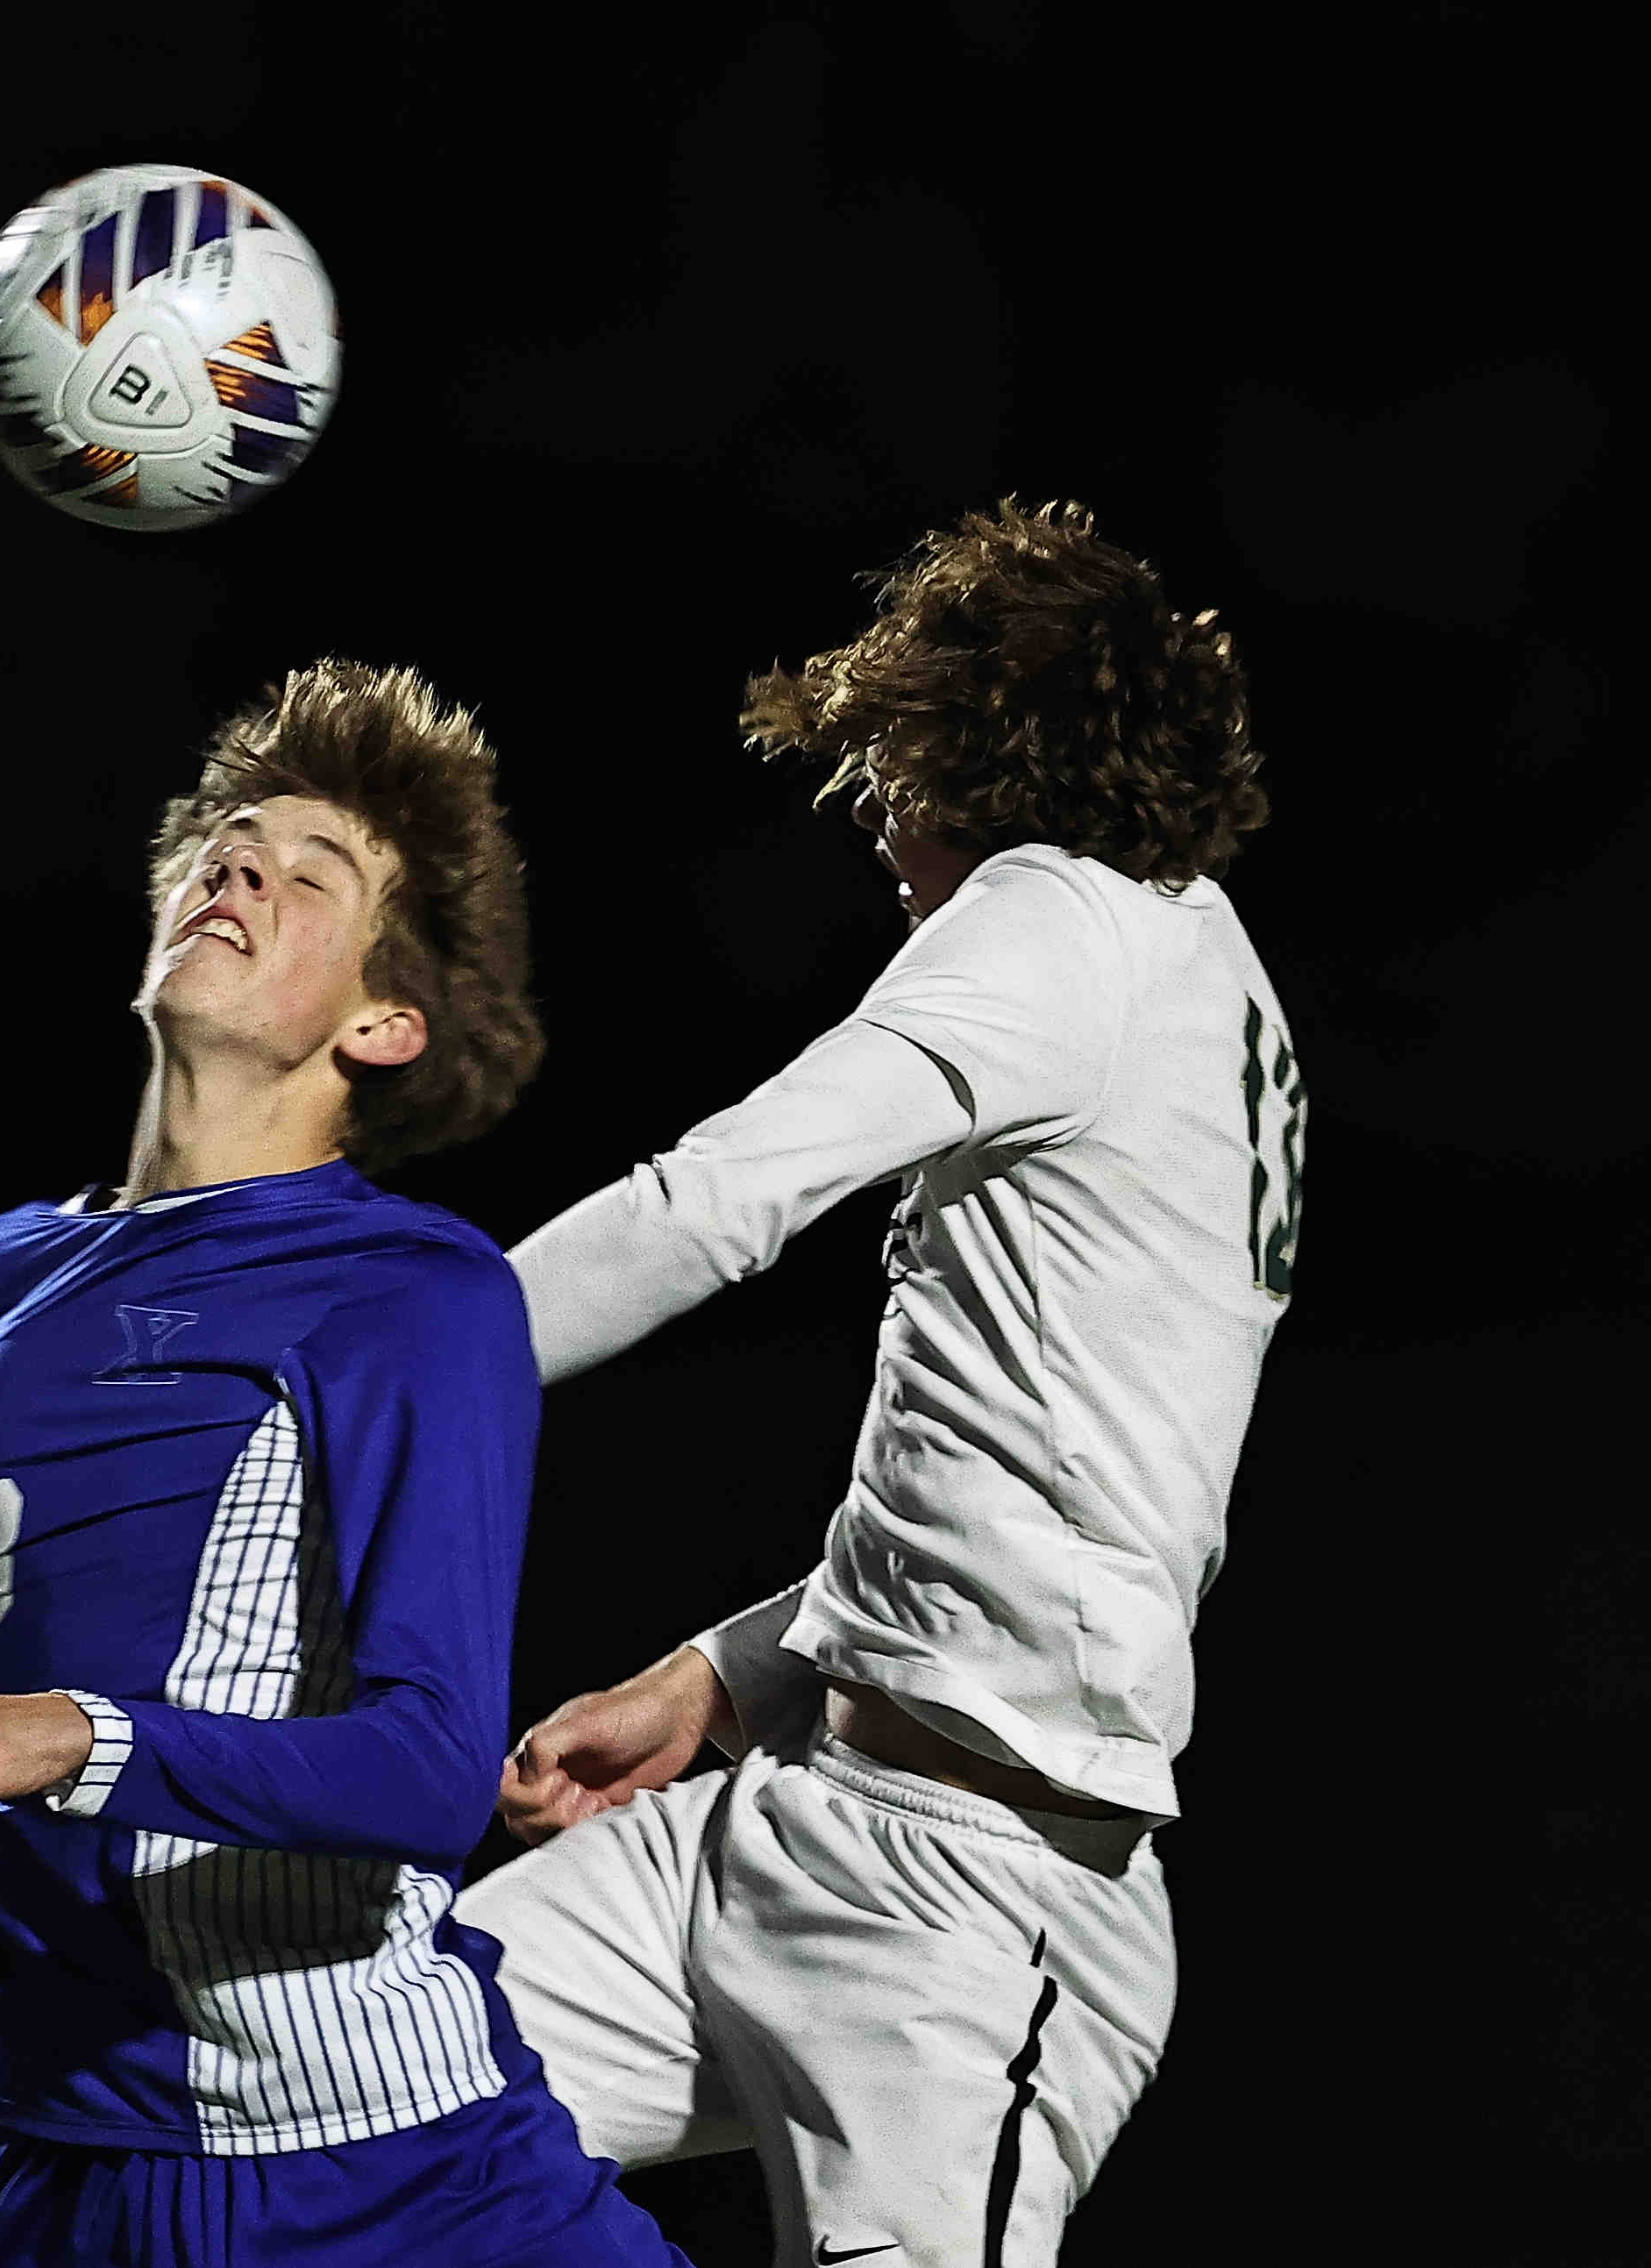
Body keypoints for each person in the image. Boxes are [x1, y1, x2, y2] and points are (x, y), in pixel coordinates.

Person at [0, 660, 692, 2268]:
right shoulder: (11, 1277)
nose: (240, 867)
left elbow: (424, 1761)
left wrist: (58, 1735)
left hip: (379, 2177)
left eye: (308, 874)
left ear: (383, 1024)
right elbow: (60, 1674)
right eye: (231, 843)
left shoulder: (415, 1294)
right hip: (57, 2164)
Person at [456, 499, 1304, 2268]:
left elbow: (713, 1205)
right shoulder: (1190, 972)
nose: (880, 838)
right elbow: (1024, 1466)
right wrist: (721, 1676)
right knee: (292, 2105)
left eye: (890, 774)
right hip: (772, 1832)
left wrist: (371, 1373)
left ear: (971, 760)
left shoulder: (1052, 924)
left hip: (973, 1917)